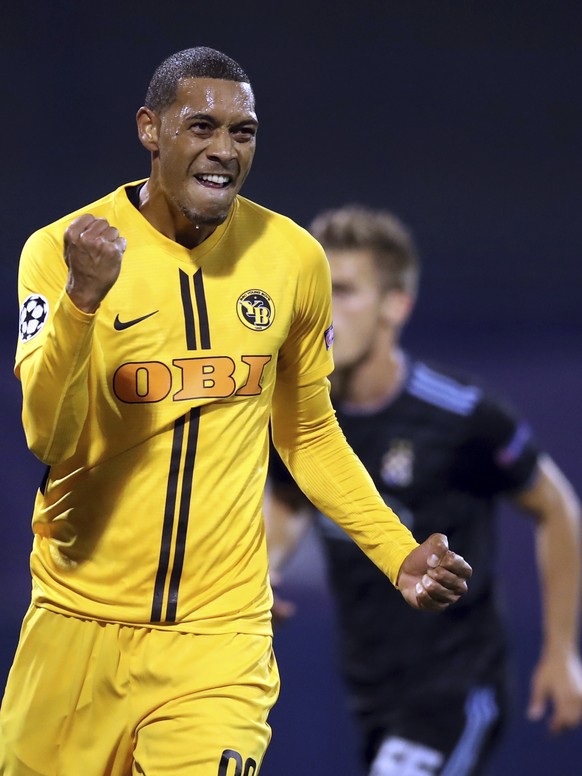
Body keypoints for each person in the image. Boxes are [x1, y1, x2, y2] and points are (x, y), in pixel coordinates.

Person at [0, 48, 471, 776]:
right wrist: (81, 304)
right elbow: (48, 436)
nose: (224, 150)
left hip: (219, 641)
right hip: (74, 632)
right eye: (201, 127)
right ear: (150, 129)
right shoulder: (62, 252)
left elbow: (308, 433)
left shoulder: (292, 259)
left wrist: (395, 550)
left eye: (243, 131)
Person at [265, 205, 582, 776]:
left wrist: (562, 650)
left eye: (344, 291)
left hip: (455, 690)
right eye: (314, 289)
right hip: (370, 691)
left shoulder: (460, 414)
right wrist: (267, 566)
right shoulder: (300, 415)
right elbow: (288, 501)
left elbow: (556, 508)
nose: (322, 309)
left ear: (396, 306)